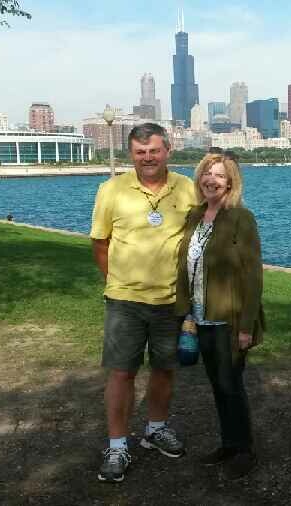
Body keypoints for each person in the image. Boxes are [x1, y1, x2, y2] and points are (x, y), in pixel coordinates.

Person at [89, 122, 198, 483]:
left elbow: (201, 236)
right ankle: (117, 445)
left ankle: (155, 429)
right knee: (122, 372)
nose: (147, 158)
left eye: (154, 151)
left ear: (168, 151)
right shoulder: (112, 190)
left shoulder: (187, 188)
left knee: (164, 369)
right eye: (140, 152)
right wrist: (118, 282)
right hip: (125, 301)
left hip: (171, 301)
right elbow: (100, 243)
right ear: (131, 154)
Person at [175, 152, 265, 480]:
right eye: (207, 173)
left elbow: (252, 277)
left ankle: (244, 450)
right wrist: (183, 311)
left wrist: (246, 327)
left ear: (230, 183)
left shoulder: (241, 218)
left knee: (231, 385)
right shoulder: (195, 216)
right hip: (200, 317)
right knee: (217, 384)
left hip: (230, 320)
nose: (211, 180)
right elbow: (185, 265)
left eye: (219, 175)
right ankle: (228, 443)